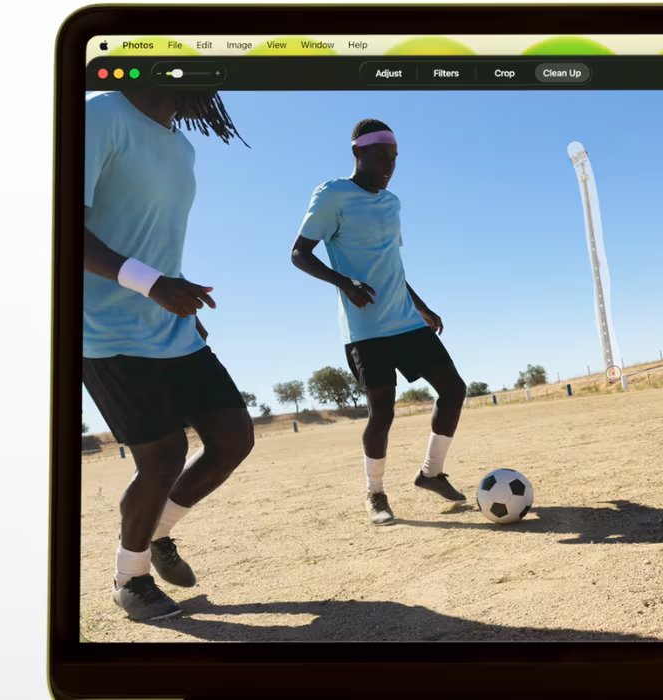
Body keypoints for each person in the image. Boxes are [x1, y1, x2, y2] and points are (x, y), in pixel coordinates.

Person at [83, 89, 253, 621]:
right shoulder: (102, 114)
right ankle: (129, 578)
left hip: (169, 321)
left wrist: (175, 295)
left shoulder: (183, 148)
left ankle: (155, 534)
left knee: (232, 439)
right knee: (162, 456)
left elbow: (153, 235)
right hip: (103, 327)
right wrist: (151, 282)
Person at [290, 118, 468, 526]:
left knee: (454, 390)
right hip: (366, 328)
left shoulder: (392, 203)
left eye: (394, 158)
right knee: (382, 414)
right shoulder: (333, 194)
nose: (389, 165)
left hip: (406, 320)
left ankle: (432, 474)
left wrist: (421, 306)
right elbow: (299, 254)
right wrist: (345, 283)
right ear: (358, 153)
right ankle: (376, 494)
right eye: (381, 157)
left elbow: (392, 266)